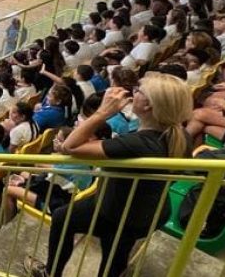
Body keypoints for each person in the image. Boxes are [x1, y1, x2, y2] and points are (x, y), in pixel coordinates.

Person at [23, 74, 192, 277]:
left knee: (82, 234)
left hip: (118, 212)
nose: (133, 92)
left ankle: (51, 273)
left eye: (139, 91)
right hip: (148, 210)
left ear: (149, 106)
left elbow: (70, 145)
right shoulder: (181, 136)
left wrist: (103, 112)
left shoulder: (139, 143)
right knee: (111, 255)